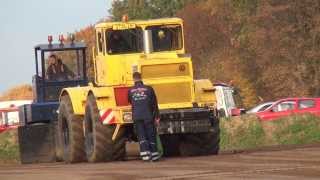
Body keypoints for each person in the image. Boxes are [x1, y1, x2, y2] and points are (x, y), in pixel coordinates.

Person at [128, 72, 161, 162]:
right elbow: (154, 104)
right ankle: (154, 156)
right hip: (148, 116)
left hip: (137, 116)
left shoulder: (130, 90)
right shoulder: (149, 89)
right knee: (151, 135)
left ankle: (145, 156)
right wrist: (157, 117)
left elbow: (130, 101)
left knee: (142, 136)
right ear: (141, 78)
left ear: (133, 79)